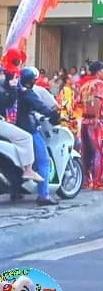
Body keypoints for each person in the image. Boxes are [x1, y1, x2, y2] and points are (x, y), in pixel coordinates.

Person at [10, 68, 59, 203]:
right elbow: (41, 106)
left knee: (18, 162)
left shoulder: (12, 90)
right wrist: (53, 115)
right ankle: (44, 195)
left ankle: (15, 191)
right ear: (31, 81)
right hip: (29, 129)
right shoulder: (27, 93)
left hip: (12, 129)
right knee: (43, 161)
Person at [78, 62, 103, 190]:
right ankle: (99, 182)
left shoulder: (85, 85)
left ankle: (87, 181)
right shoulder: (100, 84)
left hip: (85, 120)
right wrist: (97, 117)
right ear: (98, 72)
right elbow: (97, 99)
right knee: (100, 152)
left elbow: (79, 103)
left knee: (87, 152)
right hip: (96, 121)